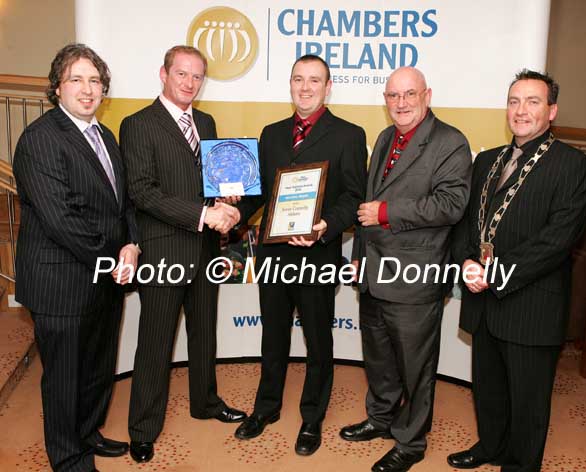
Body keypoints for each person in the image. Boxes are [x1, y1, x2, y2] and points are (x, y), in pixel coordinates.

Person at [448, 70, 586, 471]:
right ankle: (490, 447)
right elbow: (466, 225)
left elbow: (557, 240)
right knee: (489, 390)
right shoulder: (487, 160)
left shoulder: (574, 166)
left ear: (552, 111)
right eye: (514, 101)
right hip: (483, 300)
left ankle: (519, 465)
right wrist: (465, 261)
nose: (521, 110)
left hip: (531, 305)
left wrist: (493, 273)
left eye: (533, 102)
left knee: (528, 402)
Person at [13, 43, 139, 472]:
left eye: (95, 81)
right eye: (76, 80)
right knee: (65, 379)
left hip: (105, 276)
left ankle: (87, 435)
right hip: (61, 283)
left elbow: (124, 205)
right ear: (57, 87)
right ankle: (69, 459)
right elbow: (61, 219)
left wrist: (133, 245)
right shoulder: (40, 139)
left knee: (98, 369)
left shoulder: (105, 135)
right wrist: (114, 256)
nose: (88, 90)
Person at [233, 54, 367, 455]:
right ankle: (266, 407)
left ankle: (312, 417)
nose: (305, 87)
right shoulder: (271, 134)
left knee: (317, 340)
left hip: (317, 255)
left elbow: (354, 195)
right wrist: (232, 213)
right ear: (289, 85)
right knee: (272, 337)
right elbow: (259, 192)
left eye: (314, 81)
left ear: (328, 87)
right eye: (298, 80)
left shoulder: (349, 134)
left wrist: (326, 225)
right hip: (274, 256)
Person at [120, 45, 246, 464]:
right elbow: (142, 191)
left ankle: (205, 402)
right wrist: (204, 213)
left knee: (204, 335)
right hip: (165, 251)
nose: (190, 83)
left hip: (206, 249)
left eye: (197, 76)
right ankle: (143, 428)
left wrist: (225, 195)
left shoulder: (206, 122)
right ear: (163, 74)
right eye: (182, 74)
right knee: (155, 343)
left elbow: (209, 180)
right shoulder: (137, 124)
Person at [342, 67, 472, 472]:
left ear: (426, 95)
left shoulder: (450, 142)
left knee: (416, 368)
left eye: (409, 94)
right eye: (393, 96)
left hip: (416, 276)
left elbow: (451, 205)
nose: (400, 103)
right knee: (378, 358)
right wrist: (359, 257)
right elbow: (366, 203)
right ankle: (381, 419)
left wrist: (387, 211)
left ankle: (411, 442)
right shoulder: (384, 138)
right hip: (373, 272)